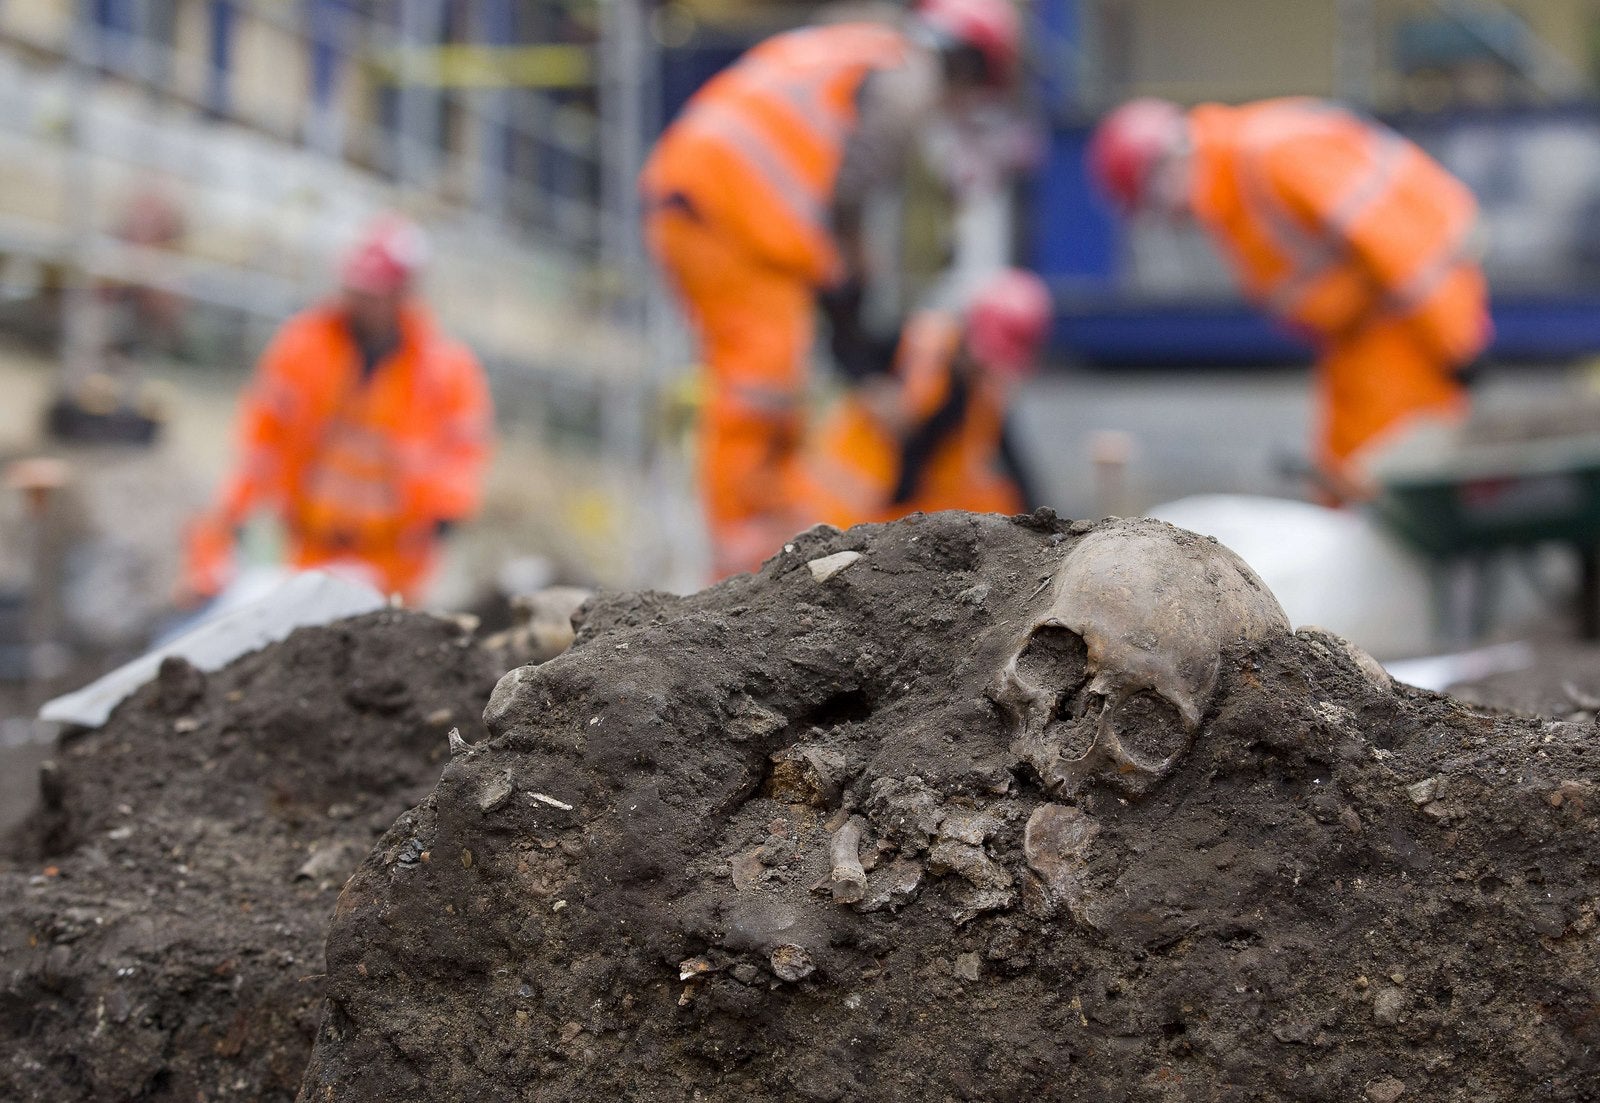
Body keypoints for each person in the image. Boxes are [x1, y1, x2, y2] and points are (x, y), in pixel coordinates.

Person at [640, 0, 1023, 576]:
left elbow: (832, 196)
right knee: (758, 390)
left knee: (764, 382)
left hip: (709, 202)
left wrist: (847, 284)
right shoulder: (907, 74)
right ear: (972, 69)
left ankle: (751, 548)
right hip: (730, 211)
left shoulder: (861, 48)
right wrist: (852, 283)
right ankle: (740, 565)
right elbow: (851, 189)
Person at [1087, 97, 1491, 501]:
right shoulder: (1228, 193)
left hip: (1407, 330)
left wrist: (1456, 343)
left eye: (1154, 203)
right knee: (1343, 483)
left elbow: (1405, 247)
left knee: (1388, 486)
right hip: (1358, 338)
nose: (1170, 221)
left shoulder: (1273, 158)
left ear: (1169, 160)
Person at [181, 216, 492, 603]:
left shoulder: (446, 370)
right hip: (312, 545)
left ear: (402, 292)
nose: (360, 301)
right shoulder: (303, 345)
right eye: (357, 288)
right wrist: (236, 512)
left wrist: (448, 512)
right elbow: (262, 435)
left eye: (373, 292)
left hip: (395, 561)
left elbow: (462, 452)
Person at [795, 267, 1049, 529]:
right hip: (855, 503)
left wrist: (1042, 525)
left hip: (913, 512)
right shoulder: (921, 344)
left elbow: (1014, 462)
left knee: (997, 497)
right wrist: (872, 386)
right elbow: (852, 348)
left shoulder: (981, 394)